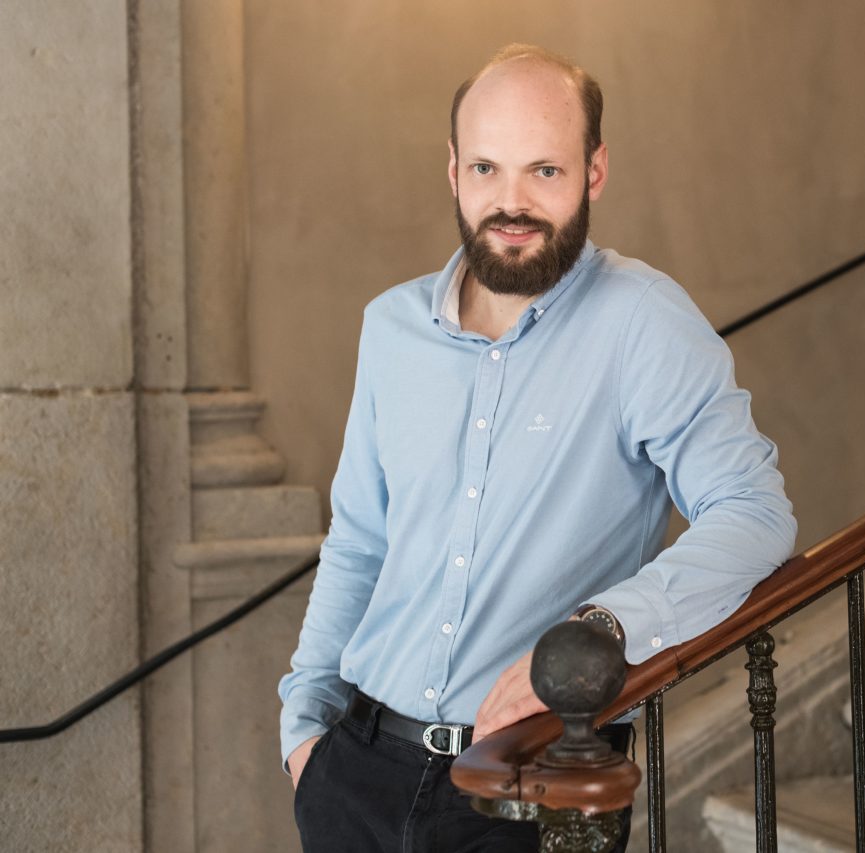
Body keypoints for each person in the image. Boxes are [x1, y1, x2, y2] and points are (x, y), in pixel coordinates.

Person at [279, 43, 796, 852]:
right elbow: (358, 541)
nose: (510, 201)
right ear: (452, 170)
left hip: (534, 784)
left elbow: (756, 512)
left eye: (543, 171)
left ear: (594, 170)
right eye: (486, 168)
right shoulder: (390, 328)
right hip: (356, 772)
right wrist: (303, 730)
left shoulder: (645, 325)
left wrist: (595, 635)